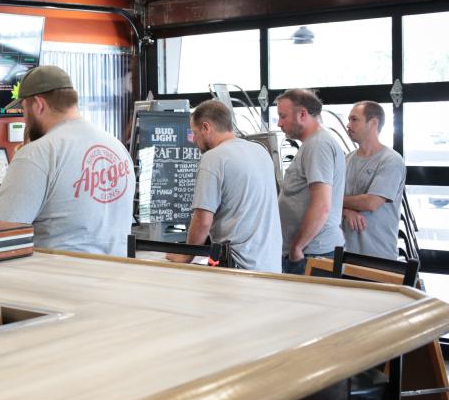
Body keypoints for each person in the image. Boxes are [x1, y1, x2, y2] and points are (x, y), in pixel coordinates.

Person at [0, 66, 135, 256]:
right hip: (116, 274)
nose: (24, 119)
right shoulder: (115, 146)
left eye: (23, 110)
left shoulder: (37, 153)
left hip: (59, 277)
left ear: (38, 104)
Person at [166, 100, 282, 273]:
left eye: (195, 133)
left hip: (237, 266)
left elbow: (202, 220)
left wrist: (186, 256)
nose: (194, 140)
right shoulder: (260, 151)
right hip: (270, 264)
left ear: (206, 127)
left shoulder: (214, 158)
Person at [275, 88, 346, 274]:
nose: (279, 123)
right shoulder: (312, 144)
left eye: (283, 116)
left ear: (302, 114)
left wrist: (297, 247)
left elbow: (322, 204)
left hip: (312, 252)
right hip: (309, 251)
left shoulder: (318, 145)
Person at [342, 101, 406, 260]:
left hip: (377, 255)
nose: (348, 125)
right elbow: (328, 201)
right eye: (349, 120)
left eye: (354, 119)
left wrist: (337, 201)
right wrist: (345, 211)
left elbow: (371, 202)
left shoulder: (391, 160)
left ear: (373, 123)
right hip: (344, 252)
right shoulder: (347, 159)